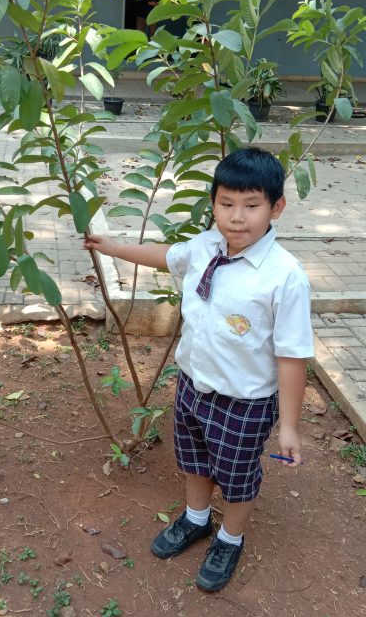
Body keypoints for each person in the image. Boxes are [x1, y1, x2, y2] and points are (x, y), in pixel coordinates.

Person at [83, 148, 314, 592]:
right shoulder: (206, 247)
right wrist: (110, 246)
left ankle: (230, 536)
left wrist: (289, 426)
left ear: (276, 207)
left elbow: (292, 355)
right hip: (193, 385)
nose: (237, 218)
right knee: (193, 459)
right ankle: (196, 518)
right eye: (226, 204)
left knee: (237, 474)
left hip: (245, 402)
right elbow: (167, 256)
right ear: (213, 204)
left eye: (252, 206)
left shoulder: (284, 277)